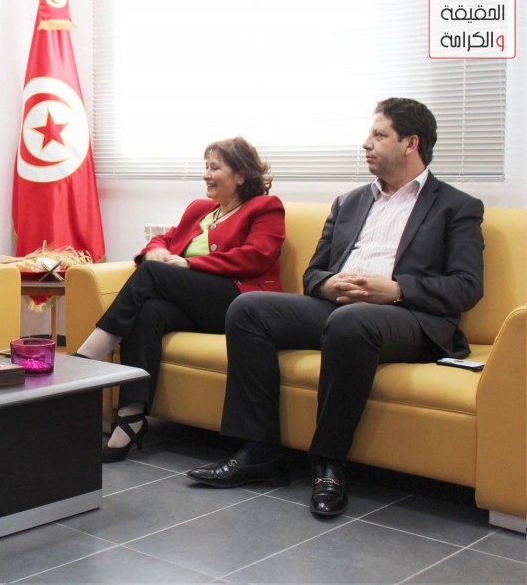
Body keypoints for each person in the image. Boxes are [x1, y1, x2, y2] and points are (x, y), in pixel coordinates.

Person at [187, 98, 485, 517]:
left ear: (411, 144)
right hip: (341, 308)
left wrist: (396, 289)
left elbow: (467, 287)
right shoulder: (349, 202)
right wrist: (328, 283)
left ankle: (328, 463)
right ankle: (260, 452)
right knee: (248, 308)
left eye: (379, 135)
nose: (366, 143)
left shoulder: (456, 206)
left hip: (410, 318)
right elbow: (314, 273)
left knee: (351, 321)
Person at [73, 138, 285, 462]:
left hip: (240, 303)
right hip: (199, 304)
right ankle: (131, 416)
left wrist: (190, 263)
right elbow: (165, 238)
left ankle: (86, 359)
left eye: (215, 168)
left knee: (152, 274)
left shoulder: (265, 208)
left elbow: (257, 256)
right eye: (206, 167)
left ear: (241, 174)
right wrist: (155, 251)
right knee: (149, 312)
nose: (206, 174)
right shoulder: (201, 210)